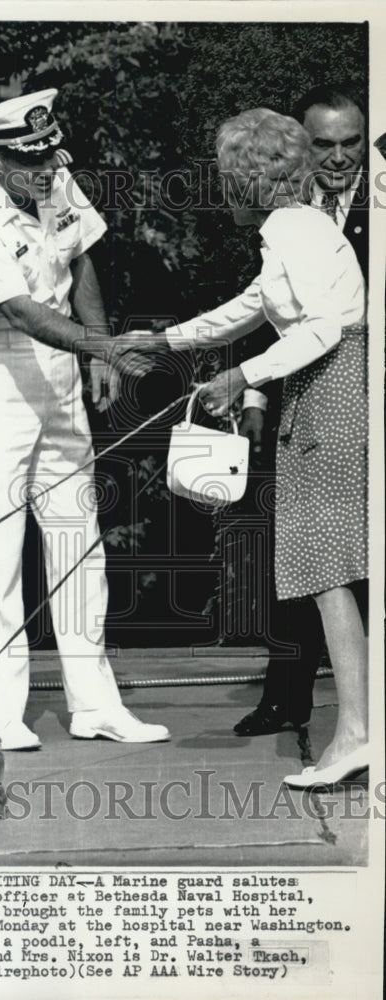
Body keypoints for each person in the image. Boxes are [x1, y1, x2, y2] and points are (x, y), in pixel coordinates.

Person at [135, 108, 368, 787]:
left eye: (226, 177)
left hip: (328, 395)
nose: (221, 189)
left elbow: (326, 325)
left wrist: (243, 375)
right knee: (328, 571)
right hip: (320, 392)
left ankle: (353, 733)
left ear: (247, 182)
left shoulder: (290, 227)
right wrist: (165, 342)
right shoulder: (296, 226)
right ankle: (357, 727)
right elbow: (250, 305)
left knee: (324, 568)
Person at [0, 88, 170, 750]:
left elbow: (81, 255)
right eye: (28, 162)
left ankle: (95, 705)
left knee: (77, 537)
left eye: (48, 156)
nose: (45, 171)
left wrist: (95, 346)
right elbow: (17, 311)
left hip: (63, 364)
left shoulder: (55, 179)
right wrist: (106, 347)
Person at [234, 85, 368, 737]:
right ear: (300, 145)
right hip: (305, 394)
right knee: (300, 550)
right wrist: (254, 393)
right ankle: (285, 696)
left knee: (354, 557)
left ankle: (360, 718)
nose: (339, 158)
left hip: (360, 395)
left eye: (351, 143)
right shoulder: (282, 210)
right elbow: (265, 312)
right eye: (324, 145)